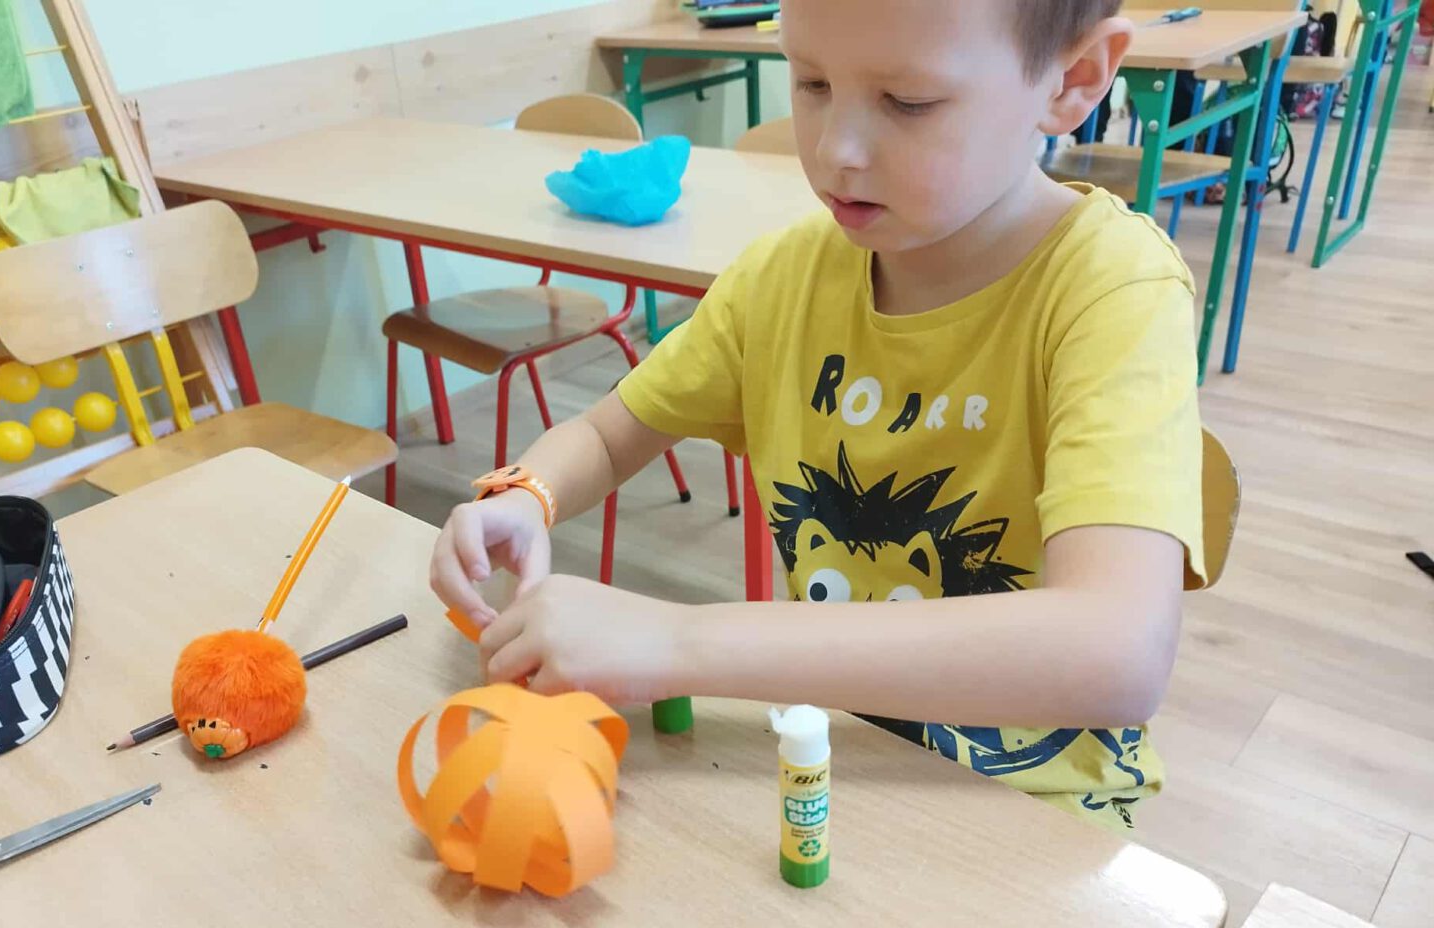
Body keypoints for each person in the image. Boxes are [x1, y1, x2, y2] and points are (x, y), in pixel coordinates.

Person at [429, 0, 1206, 832]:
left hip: (1038, 810)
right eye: (810, 83)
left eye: (908, 102)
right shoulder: (782, 279)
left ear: (1074, 79)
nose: (837, 150)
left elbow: (1116, 650)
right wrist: (527, 494)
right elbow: (608, 433)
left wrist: (678, 641)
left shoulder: (1109, 289)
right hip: (832, 757)